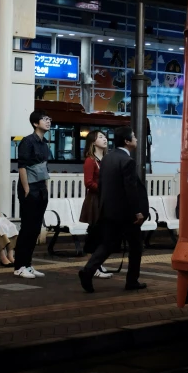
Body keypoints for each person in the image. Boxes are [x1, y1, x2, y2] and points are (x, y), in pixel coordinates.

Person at [78, 125, 148, 294]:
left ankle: (88, 271)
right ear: (127, 141)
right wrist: (137, 211)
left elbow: (102, 185)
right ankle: (132, 281)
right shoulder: (127, 161)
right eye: (134, 136)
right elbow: (130, 189)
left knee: (107, 244)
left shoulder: (107, 159)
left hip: (109, 210)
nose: (136, 139)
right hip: (126, 214)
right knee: (136, 247)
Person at [14, 110, 51, 279]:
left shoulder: (44, 143)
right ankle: (20, 266)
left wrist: (45, 186)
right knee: (27, 228)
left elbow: (44, 167)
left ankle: (28, 264)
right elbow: (21, 166)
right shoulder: (27, 141)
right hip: (30, 188)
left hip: (41, 188)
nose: (48, 121)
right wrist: (26, 188)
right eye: (45, 119)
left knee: (35, 228)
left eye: (49, 119)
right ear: (36, 123)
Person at [80, 130, 112, 279]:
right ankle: (93, 266)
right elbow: (88, 182)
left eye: (104, 136)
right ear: (93, 141)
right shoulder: (90, 160)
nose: (104, 139)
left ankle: (96, 264)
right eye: (100, 137)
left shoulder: (106, 159)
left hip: (105, 199)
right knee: (95, 232)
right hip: (95, 200)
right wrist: (103, 189)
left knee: (103, 233)